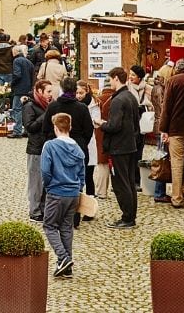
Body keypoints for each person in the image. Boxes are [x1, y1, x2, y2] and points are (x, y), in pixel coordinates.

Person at [44, 77, 94, 227]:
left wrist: (52, 140)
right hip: (78, 146)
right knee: (77, 181)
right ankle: (74, 218)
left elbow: (45, 128)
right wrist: (82, 142)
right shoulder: (81, 108)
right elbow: (89, 130)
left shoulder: (53, 107)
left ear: (62, 88)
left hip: (57, 147)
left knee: (57, 179)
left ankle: (57, 216)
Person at [41, 112, 85, 279]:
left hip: (56, 192)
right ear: (70, 127)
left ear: (55, 127)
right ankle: (67, 268)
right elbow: (82, 174)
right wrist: (78, 189)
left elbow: (45, 171)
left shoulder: (50, 146)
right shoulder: (78, 149)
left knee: (49, 226)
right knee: (66, 228)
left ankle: (64, 258)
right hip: (73, 193)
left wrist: (49, 185)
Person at [95, 67, 139, 229]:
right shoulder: (131, 96)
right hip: (130, 145)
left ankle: (127, 217)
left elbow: (114, 126)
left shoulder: (118, 100)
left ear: (115, 78)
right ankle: (130, 216)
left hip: (119, 147)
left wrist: (102, 123)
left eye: (110, 79)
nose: (110, 82)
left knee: (121, 184)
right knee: (129, 182)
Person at [159, 59, 184, 209]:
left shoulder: (173, 81)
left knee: (176, 164)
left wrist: (163, 129)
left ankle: (176, 198)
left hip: (175, 128)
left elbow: (166, 107)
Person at [24, 79, 53, 222]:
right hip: (35, 149)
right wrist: (45, 115)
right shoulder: (30, 106)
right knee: (35, 182)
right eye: (48, 92)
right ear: (40, 91)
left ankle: (43, 208)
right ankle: (34, 211)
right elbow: (29, 127)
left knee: (46, 181)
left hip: (47, 147)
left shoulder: (48, 105)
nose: (50, 95)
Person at [76, 80, 100, 203]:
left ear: (87, 91)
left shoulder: (93, 104)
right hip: (77, 143)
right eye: (77, 93)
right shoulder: (74, 104)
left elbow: (96, 122)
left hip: (89, 142)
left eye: (81, 92)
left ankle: (90, 201)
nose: (79, 95)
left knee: (88, 175)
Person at [10, 44, 35, 138]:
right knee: (26, 110)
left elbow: (17, 74)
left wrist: (12, 84)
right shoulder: (28, 62)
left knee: (17, 109)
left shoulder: (16, 60)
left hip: (19, 89)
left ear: (15, 52)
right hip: (28, 89)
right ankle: (26, 131)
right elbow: (33, 75)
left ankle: (17, 131)